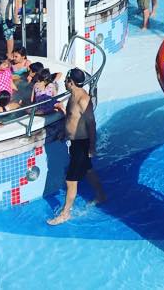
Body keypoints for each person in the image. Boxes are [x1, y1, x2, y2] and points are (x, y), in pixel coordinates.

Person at [47, 68, 106, 225]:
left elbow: (91, 124)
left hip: (82, 144)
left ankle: (65, 214)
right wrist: (65, 133)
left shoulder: (83, 100)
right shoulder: (73, 96)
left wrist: (91, 147)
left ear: (71, 82)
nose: (64, 82)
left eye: (66, 80)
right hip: (75, 142)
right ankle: (100, 195)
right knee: (88, 169)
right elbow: (73, 120)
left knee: (70, 180)